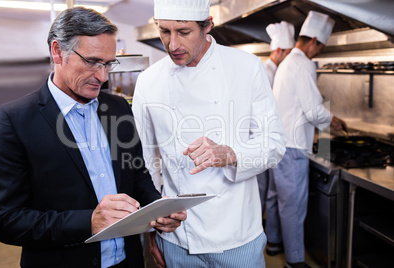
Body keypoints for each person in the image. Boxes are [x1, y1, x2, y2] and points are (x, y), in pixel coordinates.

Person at [0, 7, 186, 268]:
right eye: (92, 62)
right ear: (58, 52)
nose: (103, 76)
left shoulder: (117, 108)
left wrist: (158, 210)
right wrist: (89, 222)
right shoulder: (11, 121)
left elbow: (136, 175)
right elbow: (5, 220)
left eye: (108, 63)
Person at [132, 0, 287, 267]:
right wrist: (150, 231)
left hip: (237, 236)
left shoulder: (246, 67)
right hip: (176, 239)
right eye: (164, 31)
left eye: (183, 32)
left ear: (207, 26)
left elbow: (274, 144)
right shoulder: (148, 80)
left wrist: (230, 153)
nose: (172, 45)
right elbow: (145, 162)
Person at [265, 11, 347, 268]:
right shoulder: (302, 63)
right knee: (293, 207)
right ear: (313, 41)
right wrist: (332, 120)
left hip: (279, 144)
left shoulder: (288, 63)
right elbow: (313, 109)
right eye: (320, 47)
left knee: (276, 197)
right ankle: (295, 261)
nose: (319, 53)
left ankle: (275, 242)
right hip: (292, 148)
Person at [257, 20, 295, 217]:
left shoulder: (275, 71)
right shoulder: (267, 72)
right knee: (262, 191)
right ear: (279, 50)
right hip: (259, 139)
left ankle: (269, 237)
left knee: (269, 192)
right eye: (289, 54)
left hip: (267, 140)